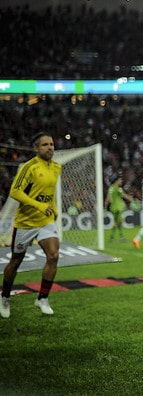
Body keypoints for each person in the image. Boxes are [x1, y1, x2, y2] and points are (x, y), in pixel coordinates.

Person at [0, 132, 62, 318]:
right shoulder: (29, 167)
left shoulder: (56, 167)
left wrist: (54, 209)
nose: (50, 147)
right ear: (36, 149)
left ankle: (42, 298)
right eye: (45, 145)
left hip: (45, 222)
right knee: (16, 261)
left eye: (51, 144)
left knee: (53, 255)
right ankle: (4, 297)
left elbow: (49, 194)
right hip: (25, 223)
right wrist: (39, 206)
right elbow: (15, 192)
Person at [105, 175, 133, 243]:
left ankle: (117, 237)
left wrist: (105, 206)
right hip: (118, 207)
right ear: (116, 181)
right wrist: (130, 198)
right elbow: (124, 195)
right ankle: (116, 237)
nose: (121, 181)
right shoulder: (118, 188)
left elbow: (108, 198)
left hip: (113, 207)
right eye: (120, 180)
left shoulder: (111, 188)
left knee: (118, 222)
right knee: (119, 222)